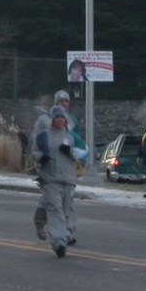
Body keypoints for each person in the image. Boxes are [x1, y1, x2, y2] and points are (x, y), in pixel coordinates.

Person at [32, 105, 87, 258]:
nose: (60, 120)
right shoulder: (43, 136)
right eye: (57, 117)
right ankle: (59, 242)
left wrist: (70, 151)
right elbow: (35, 152)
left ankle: (66, 233)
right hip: (50, 179)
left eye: (62, 117)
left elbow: (85, 152)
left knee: (67, 210)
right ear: (52, 120)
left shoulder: (72, 137)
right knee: (55, 211)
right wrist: (40, 157)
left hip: (68, 179)